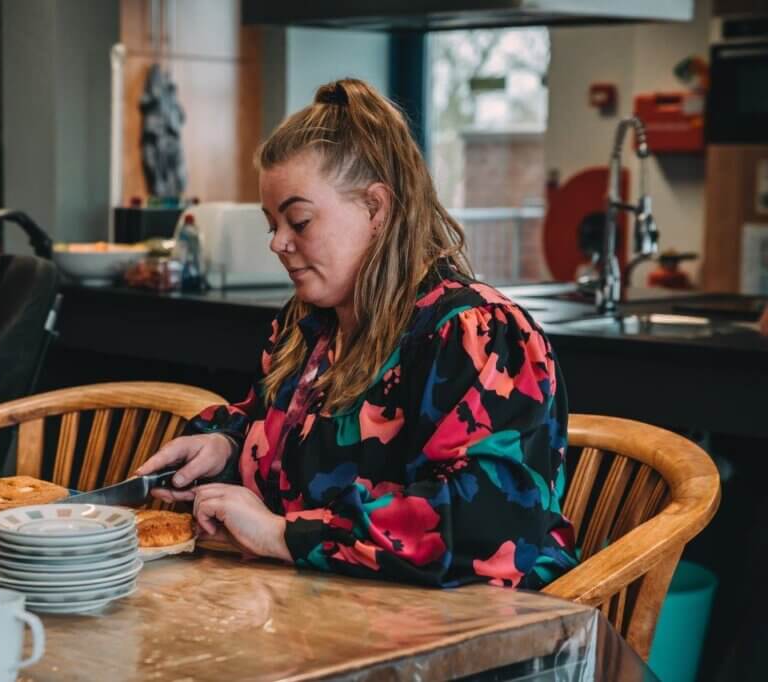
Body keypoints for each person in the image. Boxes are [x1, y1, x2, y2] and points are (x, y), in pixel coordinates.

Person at [139, 79, 578, 588]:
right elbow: (271, 428)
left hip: (480, 625)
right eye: (272, 224)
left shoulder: (476, 332)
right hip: (329, 609)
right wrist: (226, 445)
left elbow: (484, 522)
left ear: (375, 209)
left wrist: (284, 536)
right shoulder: (307, 327)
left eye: (299, 221)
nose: (278, 243)